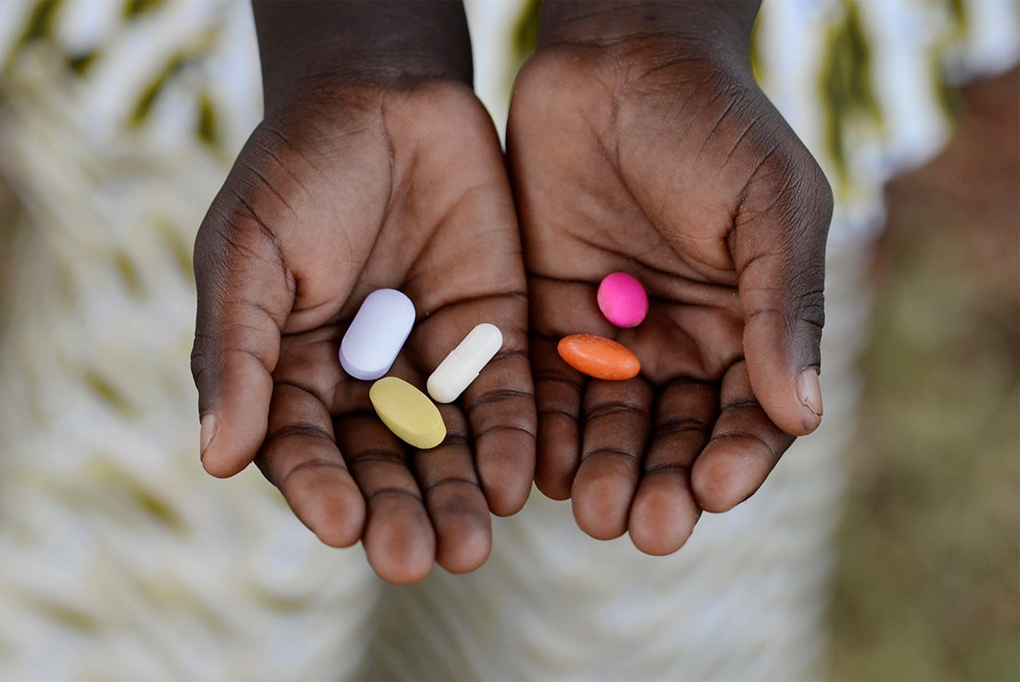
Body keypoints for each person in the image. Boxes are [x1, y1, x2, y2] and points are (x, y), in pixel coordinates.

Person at [194, 0, 830, 583]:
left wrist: (642, 27)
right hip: (290, 41)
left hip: (702, 37)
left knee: (577, 592)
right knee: (273, 578)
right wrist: (363, 60)